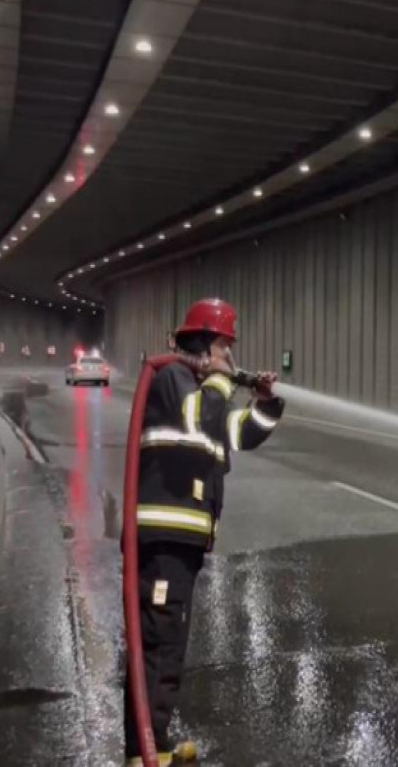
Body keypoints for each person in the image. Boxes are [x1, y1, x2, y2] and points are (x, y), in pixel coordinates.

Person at [124, 298, 283, 766]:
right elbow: (202, 417)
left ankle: (156, 741)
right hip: (165, 537)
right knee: (158, 644)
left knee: (168, 643)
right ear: (205, 344)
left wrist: (267, 404)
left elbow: (236, 432)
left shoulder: (197, 388)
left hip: (184, 540)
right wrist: (219, 381)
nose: (231, 358)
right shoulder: (172, 377)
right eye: (224, 347)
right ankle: (143, 753)